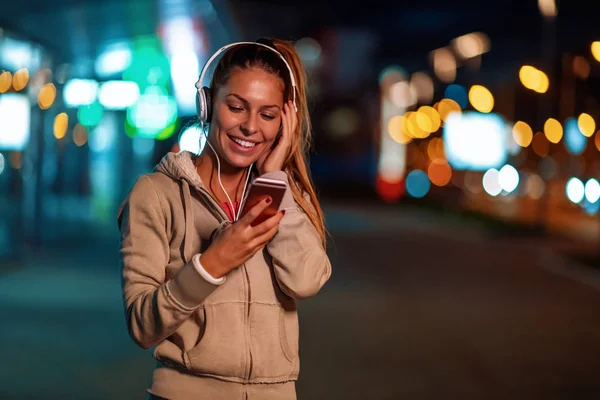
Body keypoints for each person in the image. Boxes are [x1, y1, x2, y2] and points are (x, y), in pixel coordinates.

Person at [117, 37, 332, 400]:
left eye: (267, 115)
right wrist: (212, 264)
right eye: (236, 107)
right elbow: (142, 325)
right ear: (208, 103)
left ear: (285, 121)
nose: (250, 127)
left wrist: (275, 179)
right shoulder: (155, 193)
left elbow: (307, 281)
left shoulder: (284, 193)